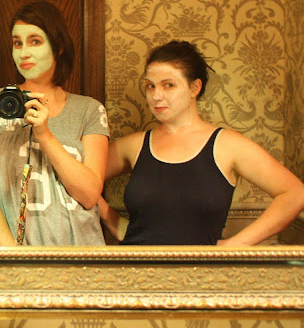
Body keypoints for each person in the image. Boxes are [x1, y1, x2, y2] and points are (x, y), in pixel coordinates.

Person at [99, 40, 304, 245]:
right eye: (150, 86)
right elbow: (84, 181)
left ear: (195, 87)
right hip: (135, 263)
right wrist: (111, 220)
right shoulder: (134, 145)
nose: (156, 96)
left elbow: (295, 193)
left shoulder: (227, 145)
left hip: (202, 265)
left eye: (168, 85)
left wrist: (235, 245)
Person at [0, 1, 110, 246]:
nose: (24, 53)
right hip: (13, 257)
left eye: (35, 41)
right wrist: (14, 255)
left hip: (81, 254)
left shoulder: (89, 110)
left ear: (59, 46)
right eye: (17, 43)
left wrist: (45, 134)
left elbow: (89, 195)